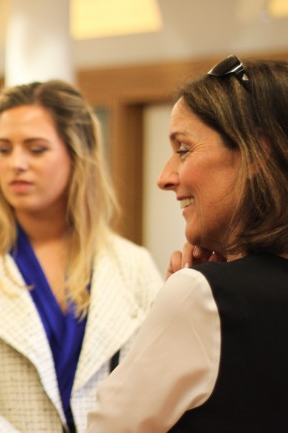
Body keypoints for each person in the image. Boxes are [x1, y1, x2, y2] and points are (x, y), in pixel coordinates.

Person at [0, 80, 163, 433]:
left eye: (36, 150)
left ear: (77, 155)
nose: (16, 163)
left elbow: (152, 392)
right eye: (4, 149)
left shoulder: (133, 266)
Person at [86, 55, 288, 432]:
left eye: (183, 149)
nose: (164, 178)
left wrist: (182, 304)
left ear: (257, 153)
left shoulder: (202, 298)